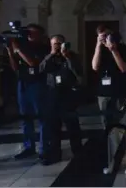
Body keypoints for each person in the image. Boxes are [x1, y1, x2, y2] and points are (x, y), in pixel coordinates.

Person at [91, 25, 126, 173]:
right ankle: (112, 160)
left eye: (107, 35)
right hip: (103, 94)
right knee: (108, 129)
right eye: (102, 36)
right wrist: (99, 46)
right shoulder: (100, 49)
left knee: (124, 127)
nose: (105, 39)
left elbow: (123, 68)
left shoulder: (121, 48)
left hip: (120, 92)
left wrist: (114, 50)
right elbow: (95, 67)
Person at [6, 23, 50, 162]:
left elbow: (33, 64)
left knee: (42, 117)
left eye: (33, 32)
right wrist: (10, 51)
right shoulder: (23, 47)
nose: (29, 35)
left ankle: (44, 149)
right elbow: (15, 68)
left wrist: (18, 50)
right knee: (25, 117)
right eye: (28, 32)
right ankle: (28, 147)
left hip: (38, 84)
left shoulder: (44, 48)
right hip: (23, 83)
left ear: (40, 34)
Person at [39, 35, 83, 165]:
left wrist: (67, 56)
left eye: (59, 43)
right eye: (54, 44)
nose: (57, 46)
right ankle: (54, 153)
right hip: (53, 93)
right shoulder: (48, 57)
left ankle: (78, 151)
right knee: (53, 126)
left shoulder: (72, 56)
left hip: (68, 93)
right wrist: (51, 54)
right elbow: (41, 69)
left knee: (72, 125)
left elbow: (77, 72)